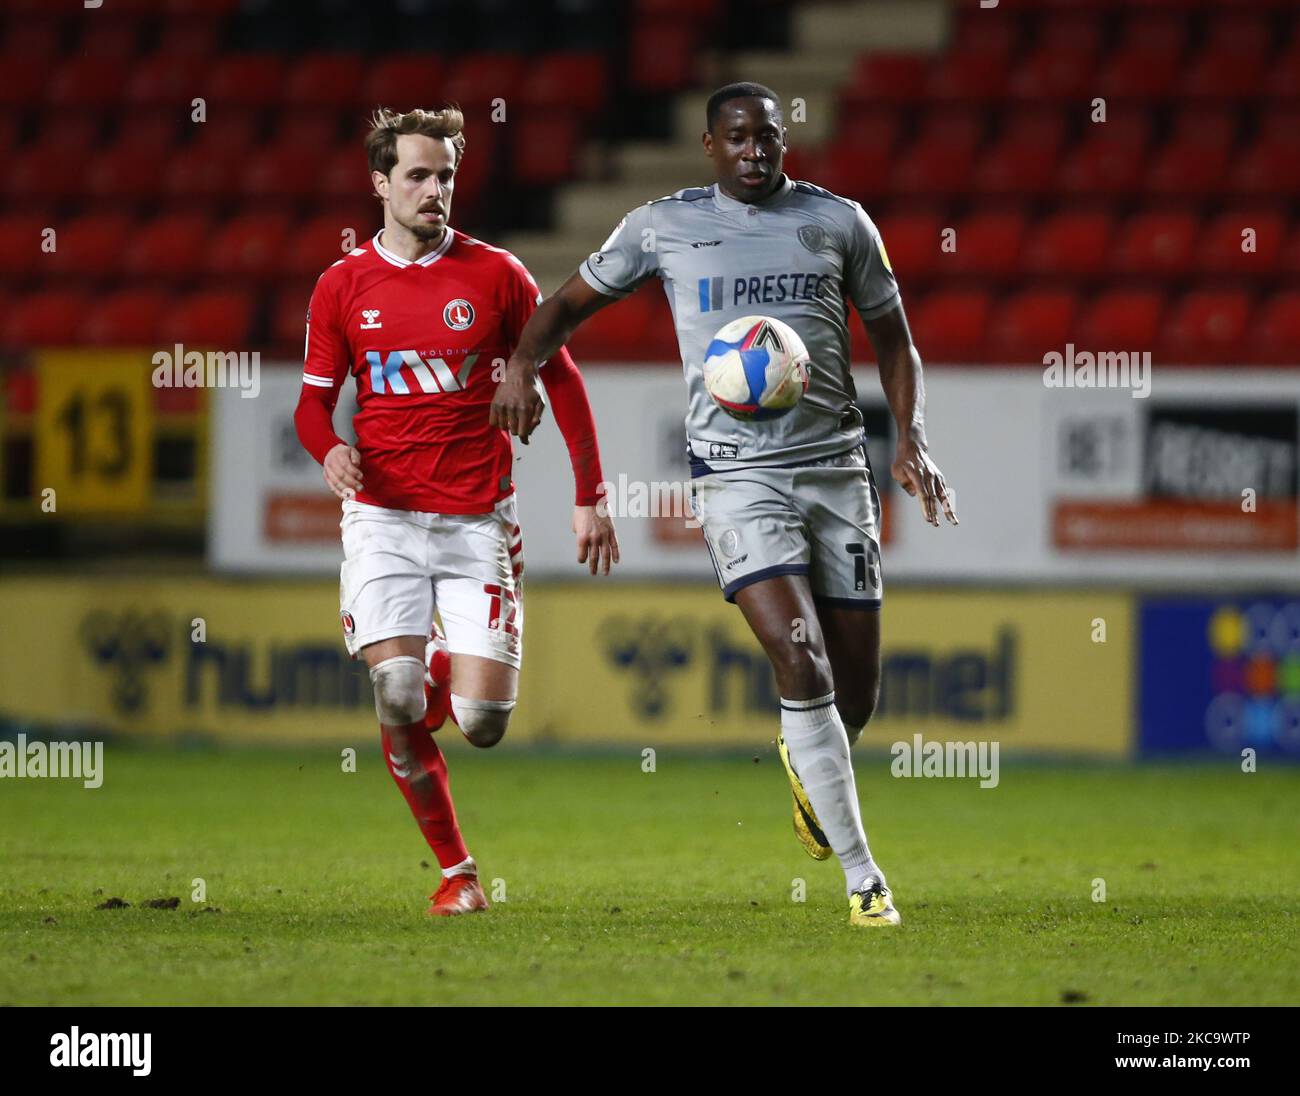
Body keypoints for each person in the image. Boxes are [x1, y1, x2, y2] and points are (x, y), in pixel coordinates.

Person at [491, 83, 957, 928]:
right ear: (709, 145)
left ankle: (806, 755)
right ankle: (864, 881)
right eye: (738, 138)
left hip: (835, 469)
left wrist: (913, 440)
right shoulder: (660, 227)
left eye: (768, 137)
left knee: (854, 695)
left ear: (785, 141)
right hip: (735, 477)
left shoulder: (841, 223)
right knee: (800, 656)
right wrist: (522, 365)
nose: (754, 151)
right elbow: (562, 308)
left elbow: (896, 338)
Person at [295, 107, 619, 917]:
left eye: (444, 175)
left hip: (478, 521)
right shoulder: (343, 286)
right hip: (382, 518)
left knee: (481, 723)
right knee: (397, 695)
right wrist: (328, 451)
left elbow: (564, 377)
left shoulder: (498, 275)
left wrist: (590, 496)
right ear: (380, 183)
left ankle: (436, 662)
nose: (435, 189)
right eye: (417, 175)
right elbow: (310, 407)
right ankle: (458, 875)